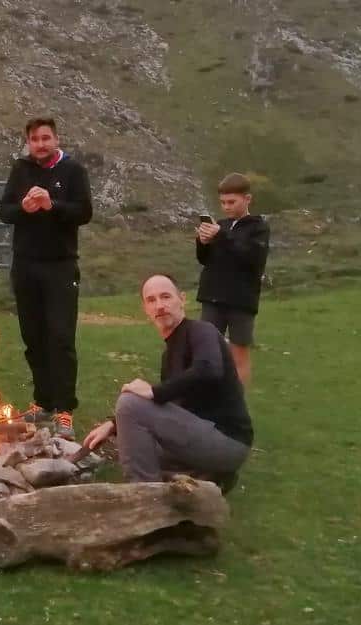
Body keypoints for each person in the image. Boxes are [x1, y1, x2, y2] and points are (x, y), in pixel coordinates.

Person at [83, 274, 253, 491]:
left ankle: (144, 498)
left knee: (129, 404)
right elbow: (172, 405)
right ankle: (205, 477)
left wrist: (155, 391)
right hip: (202, 438)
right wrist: (113, 424)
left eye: (165, 297)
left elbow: (209, 369)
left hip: (227, 441)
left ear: (182, 299)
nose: (160, 306)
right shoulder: (169, 353)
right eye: (151, 300)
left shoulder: (201, 331)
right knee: (133, 445)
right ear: (145, 309)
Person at [0, 116, 93, 440]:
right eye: (35, 139)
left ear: (56, 139)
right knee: (33, 337)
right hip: (25, 265)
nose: (40, 144)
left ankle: (65, 409)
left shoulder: (73, 171)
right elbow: (3, 211)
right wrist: (23, 207)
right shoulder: (20, 169)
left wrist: (53, 206)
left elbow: (84, 212)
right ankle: (42, 401)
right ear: (28, 142)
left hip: (61, 266)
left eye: (46, 138)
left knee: (61, 338)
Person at [196, 173, 270, 387]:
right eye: (222, 202)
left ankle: (238, 410)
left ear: (247, 199)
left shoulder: (259, 228)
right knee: (207, 352)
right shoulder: (221, 226)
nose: (226, 207)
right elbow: (205, 260)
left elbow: (251, 257)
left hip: (241, 301)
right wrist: (202, 242)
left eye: (231, 202)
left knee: (239, 355)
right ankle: (209, 401)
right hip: (212, 298)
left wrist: (220, 236)